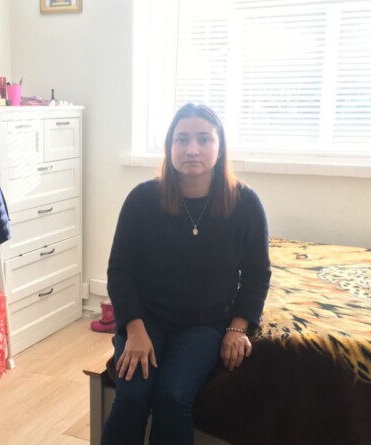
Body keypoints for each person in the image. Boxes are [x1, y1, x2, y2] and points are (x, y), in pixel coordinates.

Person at [101, 103, 272, 445]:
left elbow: (257, 274)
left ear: (219, 147)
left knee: (173, 396)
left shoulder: (245, 203)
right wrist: (134, 330)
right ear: (170, 146)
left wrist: (238, 327)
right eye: (182, 139)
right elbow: (120, 271)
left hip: (204, 323)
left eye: (204, 139)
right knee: (132, 395)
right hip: (146, 317)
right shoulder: (142, 199)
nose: (192, 149)